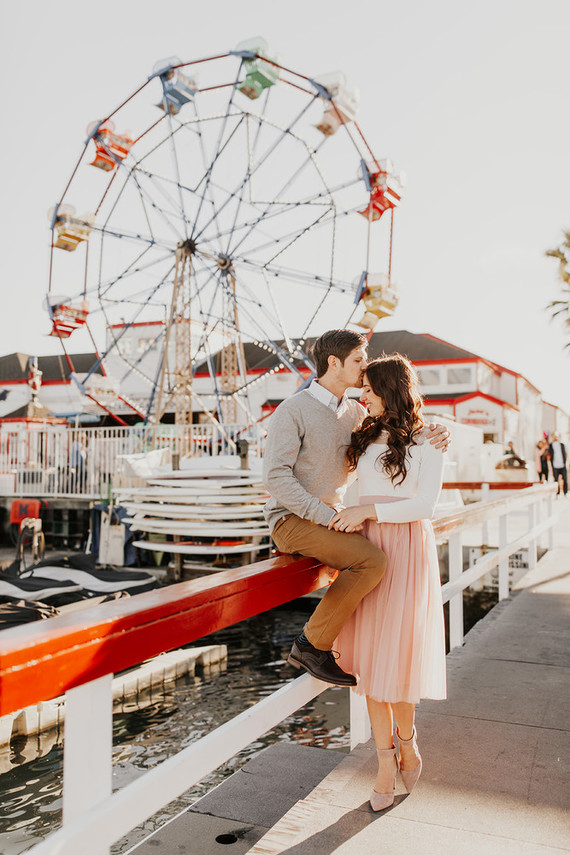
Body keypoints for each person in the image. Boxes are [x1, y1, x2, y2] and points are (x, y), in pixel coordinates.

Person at [262, 329, 449, 688]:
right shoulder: (293, 409)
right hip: (291, 519)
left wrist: (436, 431)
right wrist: (328, 517)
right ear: (334, 363)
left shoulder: (355, 413)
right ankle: (311, 644)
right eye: (359, 360)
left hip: (329, 521)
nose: (365, 368)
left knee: (372, 563)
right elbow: (276, 478)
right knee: (372, 560)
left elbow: (398, 427)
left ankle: (317, 644)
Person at [330, 355, 446, 810]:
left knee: (397, 660)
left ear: (390, 388)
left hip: (406, 548)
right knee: (370, 666)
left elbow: (426, 505)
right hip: (366, 551)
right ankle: (382, 765)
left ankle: (408, 739)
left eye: (370, 389)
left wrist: (368, 511)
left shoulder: (427, 436)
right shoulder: (362, 432)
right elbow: (347, 489)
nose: (363, 396)